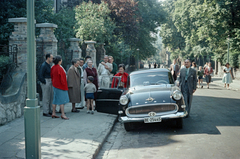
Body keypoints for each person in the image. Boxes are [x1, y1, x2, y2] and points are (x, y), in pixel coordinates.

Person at [51, 55, 69, 120]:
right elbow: (62, 79)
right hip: (61, 86)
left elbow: (52, 76)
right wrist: (64, 84)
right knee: (62, 101)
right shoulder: (60, 68)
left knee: (55, 99)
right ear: (59, 61)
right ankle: (63, 114)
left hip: (55, 85)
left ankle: (53, 112)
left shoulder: (53, 67)